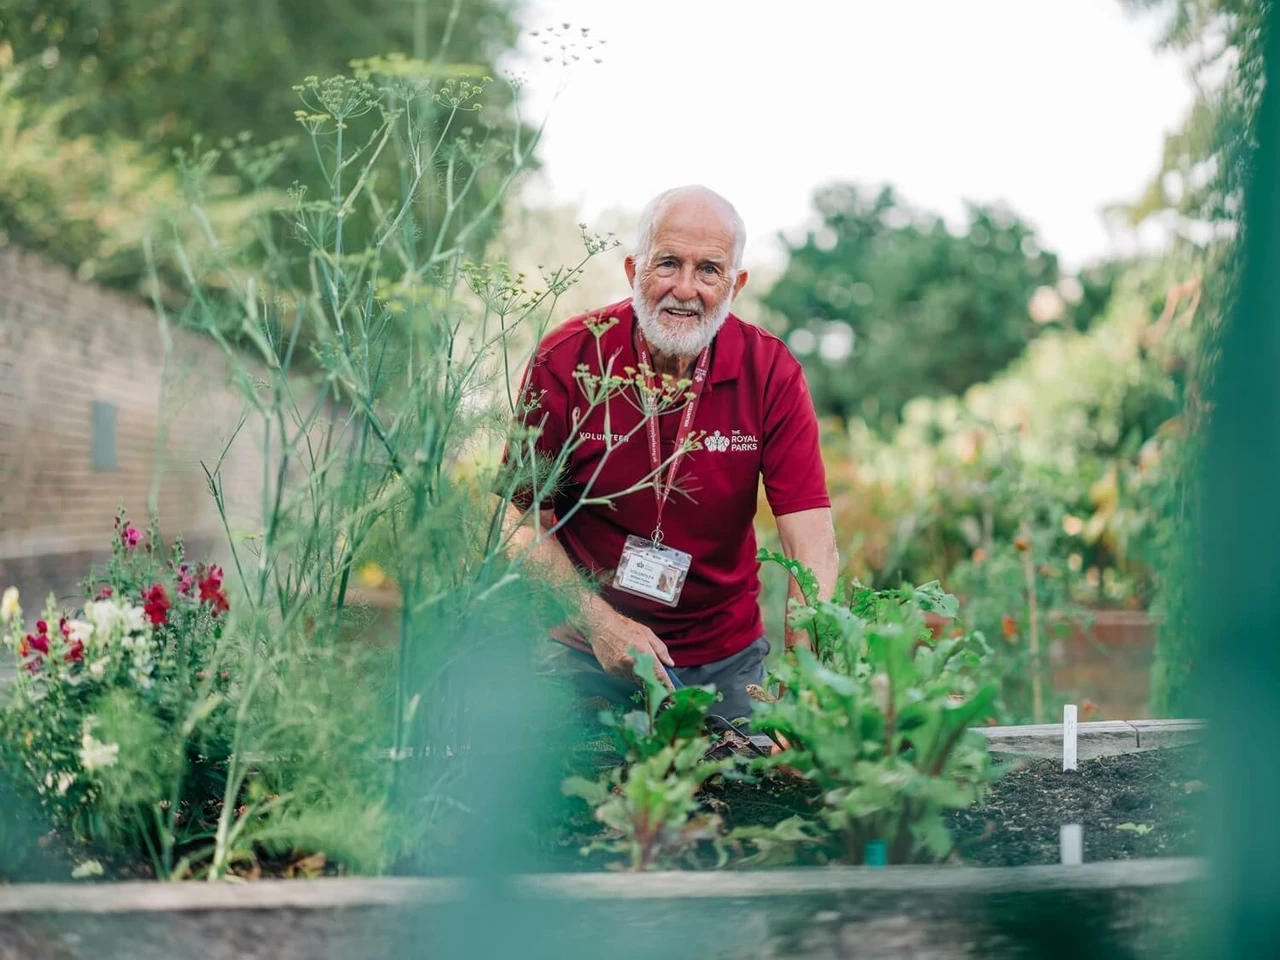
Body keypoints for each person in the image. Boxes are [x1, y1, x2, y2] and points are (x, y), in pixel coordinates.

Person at [505, 185, 838, 724]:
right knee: (564, 799)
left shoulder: (771, 372)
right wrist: (599, 622)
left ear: (737, 284)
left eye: (709, 270)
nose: (685, 289)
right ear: (634, 270)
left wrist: (804, 683)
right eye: (668, 264)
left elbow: (812, 547)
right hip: (583, 652)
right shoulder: (567, 360)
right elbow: (519, 520)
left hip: (724, 661)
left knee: (749, 799)